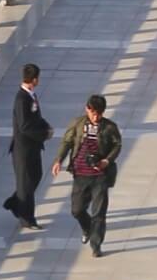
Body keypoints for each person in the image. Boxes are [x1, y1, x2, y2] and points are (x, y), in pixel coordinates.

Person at [52, 94, 121, 256]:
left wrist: (107, 160)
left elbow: (117, 145)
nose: (95, 117)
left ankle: (96, 245)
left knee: (99, 212)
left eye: (99, 113)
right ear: (87, 109)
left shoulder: (110, 127)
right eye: (92, 113)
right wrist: (58, 160)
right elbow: (67, 142)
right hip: (81, 173)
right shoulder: (77, 123)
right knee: (77, 209)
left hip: (100, 176)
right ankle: (87, 228)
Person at [3, 62, 51, 229]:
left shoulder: (31, 95)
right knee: (25, 182)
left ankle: (15, 203)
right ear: (35, 79)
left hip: (33, 147)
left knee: (35, 176)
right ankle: (27, 218)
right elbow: (24, 126)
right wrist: (43, 135)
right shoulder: (22, 98)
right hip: (23, 149)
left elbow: (36, 117)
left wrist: (46, 127)